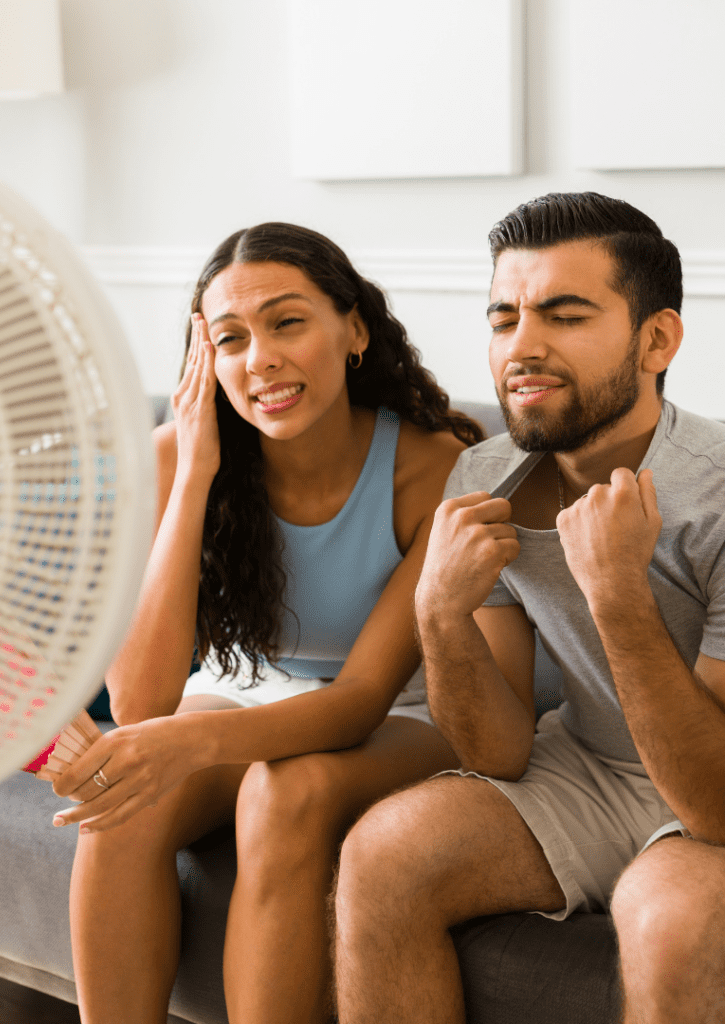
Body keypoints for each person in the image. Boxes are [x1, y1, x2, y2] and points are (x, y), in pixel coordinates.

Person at [43, 221, 483, 1024]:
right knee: (122, 800)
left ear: (353, 329)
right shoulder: (180, 455)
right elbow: (141, 704)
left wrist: (188, 743)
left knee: (283, 792)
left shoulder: (434, 464)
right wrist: (194, 474)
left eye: (287, 323)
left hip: (405, 711)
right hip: (253, 690)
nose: (261, 359)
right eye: (231, 339)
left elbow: (359, 699)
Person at [332, 192, 725, 1024]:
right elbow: (497, 752)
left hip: (712, 790)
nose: (523, 347)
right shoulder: (485, 477)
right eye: (503, 318)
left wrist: (616, 594)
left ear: (658, 339)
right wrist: (438, 616)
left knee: (669, 920)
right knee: (382, 853)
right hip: (583, 767)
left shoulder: (718, 496)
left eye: (564, 315)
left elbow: (713, 803)